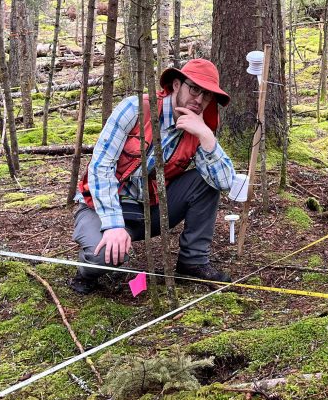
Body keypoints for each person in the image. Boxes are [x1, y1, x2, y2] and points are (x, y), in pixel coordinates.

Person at [70, 57, 236, 295]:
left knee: (206, 179)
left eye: (207, 96)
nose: (199, 100)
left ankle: (193, 261)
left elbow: (225, 182)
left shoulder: (198, 129)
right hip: (99, 207)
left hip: (152, 208)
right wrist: (114, 225)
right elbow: (100, 167)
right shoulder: (136, 108)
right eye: (194, 89)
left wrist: (207, 138)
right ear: (176, 84)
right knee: (103, 257)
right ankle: (86, 271)